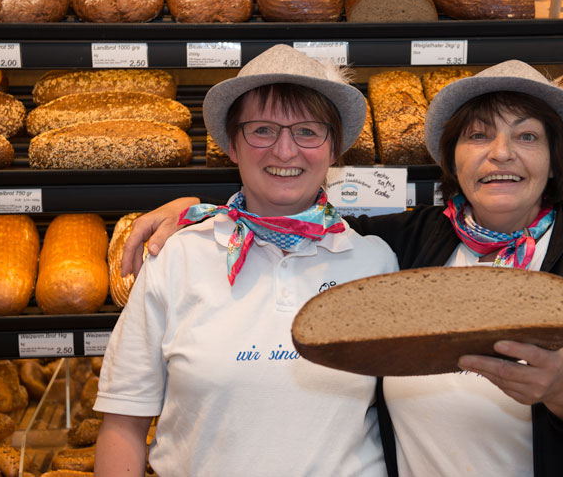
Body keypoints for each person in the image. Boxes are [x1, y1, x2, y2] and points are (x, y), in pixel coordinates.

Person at [121, 60, 563, 476]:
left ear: (555, 161)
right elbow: (295, 206)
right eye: (479, 135)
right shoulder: (409, 246)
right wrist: (200, 209)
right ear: (452, 161)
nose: (502, 153)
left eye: (527, 136)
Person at [93, 44, 399, 477]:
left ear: (334, 151)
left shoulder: (376, 264)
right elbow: (124, 421)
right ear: (232, 146)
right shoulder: (176, 257)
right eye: (262, 130)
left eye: (308, 131)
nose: (285, 150)